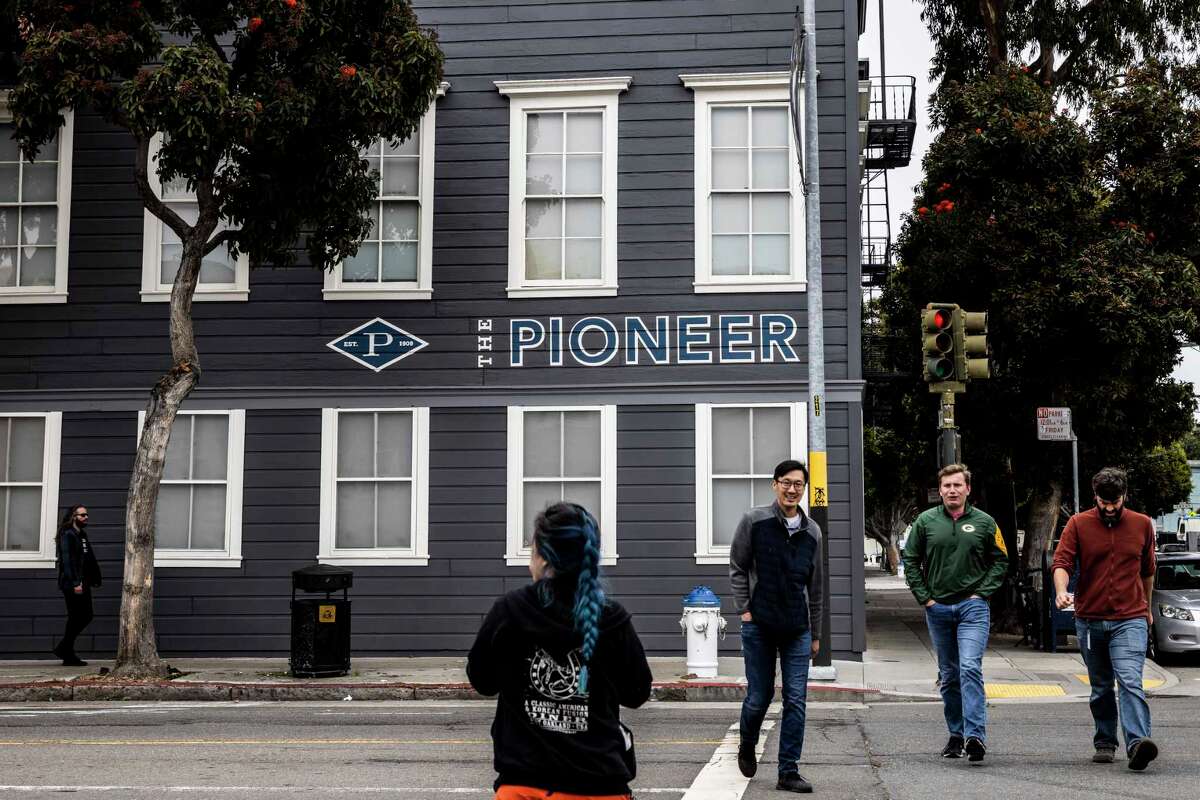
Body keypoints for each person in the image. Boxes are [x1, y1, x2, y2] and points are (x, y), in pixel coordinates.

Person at [467, 502, 651, 800]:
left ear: (542, 558)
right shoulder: (611, 618)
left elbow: (482, 680)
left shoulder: (510, 611)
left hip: (524, 786)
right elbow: (637, 692)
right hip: (598, 786)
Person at [1052, 467, 1158, 770]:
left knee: (1130, 681)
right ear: (1095, 497)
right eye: (1103, 502)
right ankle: (1105, 741)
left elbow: (1148, 569)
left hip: (1130, 618)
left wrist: (1147, 608)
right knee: (1100, 686)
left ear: (1125, 495)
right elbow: (1062, 562)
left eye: (1115, 501)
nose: (1110, 508)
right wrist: (1062, 590)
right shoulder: (1078, 523)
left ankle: (1138, 743)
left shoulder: (1141, 524)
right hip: (1090, 618)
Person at [901, 464, 1007, 764]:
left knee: (970, 668)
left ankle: (976, 736)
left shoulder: (985, 523)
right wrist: (926, 598)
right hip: (938, 609)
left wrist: (982, 592)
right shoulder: (925, 522)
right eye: (946, 486)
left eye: (957, 485)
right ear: (940, 489)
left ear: (967, 489)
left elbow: (1000, 561)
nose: (951, 490)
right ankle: (956, 735)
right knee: (949, 676)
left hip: (972, 607)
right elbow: (911, 560)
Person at [730, 459, 824, 794]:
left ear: (804, 489)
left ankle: (788, 771)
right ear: (775, 484)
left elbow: (816, 586)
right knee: (760, 696)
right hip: (759, 626)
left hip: (797, 628)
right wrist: (744, 610)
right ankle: (747, 742)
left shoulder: (812, 531)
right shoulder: (754, 520)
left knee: (796, 699)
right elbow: (738, 566)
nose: (792, 489)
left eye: (798, 484)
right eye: (786, 482)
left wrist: (816, 635)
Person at [54, 504, 101, 667]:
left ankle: (64, 649)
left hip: (83, 582)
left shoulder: (81, 535)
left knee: (83, 616)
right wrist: (75, 583)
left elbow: (87, 558)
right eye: (82, 515)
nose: (86, 517)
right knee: (79, 616)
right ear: (73, 517)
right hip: (73, 583)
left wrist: (94, 577)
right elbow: (67, 562)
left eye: (86, 515)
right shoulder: (68, 535)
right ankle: (66, 651)